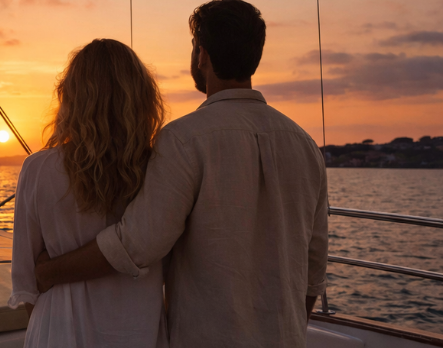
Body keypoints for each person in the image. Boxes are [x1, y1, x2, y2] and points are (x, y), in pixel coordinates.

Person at [33, 1, 329, 347]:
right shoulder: (305, 145)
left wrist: (48, 271)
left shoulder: (184, 139)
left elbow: (139, 243)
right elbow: (314, 266)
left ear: (201, 55)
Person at [9, 38, 168, 348]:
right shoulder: (161, 171)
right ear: (141, 98)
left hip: (58, 334)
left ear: (70, 97)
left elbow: (29, 282)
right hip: (139, 332)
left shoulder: (38, 170)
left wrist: (52, 271)